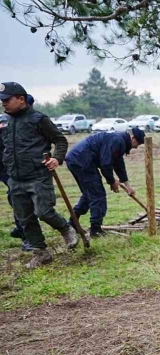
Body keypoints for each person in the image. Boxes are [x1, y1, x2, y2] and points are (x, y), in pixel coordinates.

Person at [0, 82, 79, 268]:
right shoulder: (6, 121)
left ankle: (66, 228)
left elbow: (60, 140)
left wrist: (57, 159)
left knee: (43, 212)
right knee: (25, 219)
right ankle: (41, 253)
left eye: (7, 100)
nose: (3, 104)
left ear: (21, 99)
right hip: (15, 178)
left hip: (37, 176)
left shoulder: (38, 119)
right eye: (2, 101)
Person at [64, 128, 144, 237]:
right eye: (137, 143)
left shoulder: (120, 141)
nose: (136, 147)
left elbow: (119, 165)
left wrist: (128, 186)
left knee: (90, 194)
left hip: (76, 159)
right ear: (133, 138)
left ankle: (73, 223)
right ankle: (95, 230)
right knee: (98, 195)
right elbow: (105, 164)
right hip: (83, 161)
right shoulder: (117, 140)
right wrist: (111, 181)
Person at [0, 113, 32, 251]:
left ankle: (24, 233)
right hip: (5, 169)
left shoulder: (16, 133)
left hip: (14, 169)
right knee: (16, 197)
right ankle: (24, 233)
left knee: (18, 197)